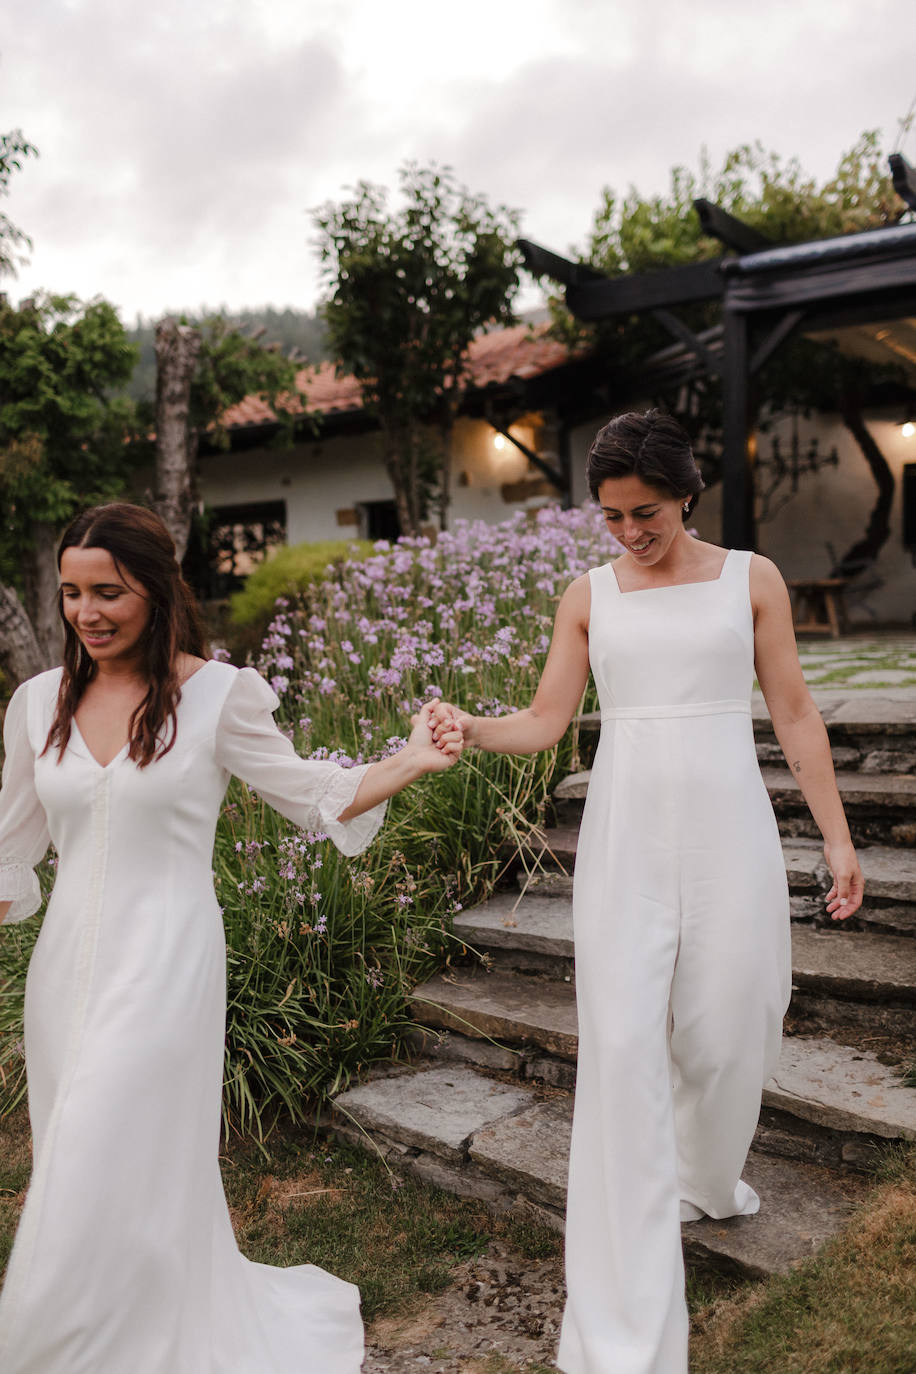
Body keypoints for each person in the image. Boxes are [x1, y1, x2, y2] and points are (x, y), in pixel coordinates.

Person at [431, 409, 864, 1374]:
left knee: (734, 1027)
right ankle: (623, 1308)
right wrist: (470, 726)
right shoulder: (589, 597)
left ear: (686, 496)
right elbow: (548, 722)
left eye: (647, 514)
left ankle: (706, 1176)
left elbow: (793, 711)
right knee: (624, 1051)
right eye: (613, 516)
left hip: (729, 838)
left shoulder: (751, 579)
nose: (629, 532)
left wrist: (836, 838)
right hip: (624, 842)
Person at [0, 501, 462, 1374]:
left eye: (108, 591)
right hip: (64, 970)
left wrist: (410, 761)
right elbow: (9, 850)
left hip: (169, 959)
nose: (86, 613)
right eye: (70, 594)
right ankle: (121, 1316)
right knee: (82, 1146)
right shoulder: (37, 705)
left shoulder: (217, 695)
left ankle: (50, 1348)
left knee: (105, 1128)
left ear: (158, 588)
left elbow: (311, 795)